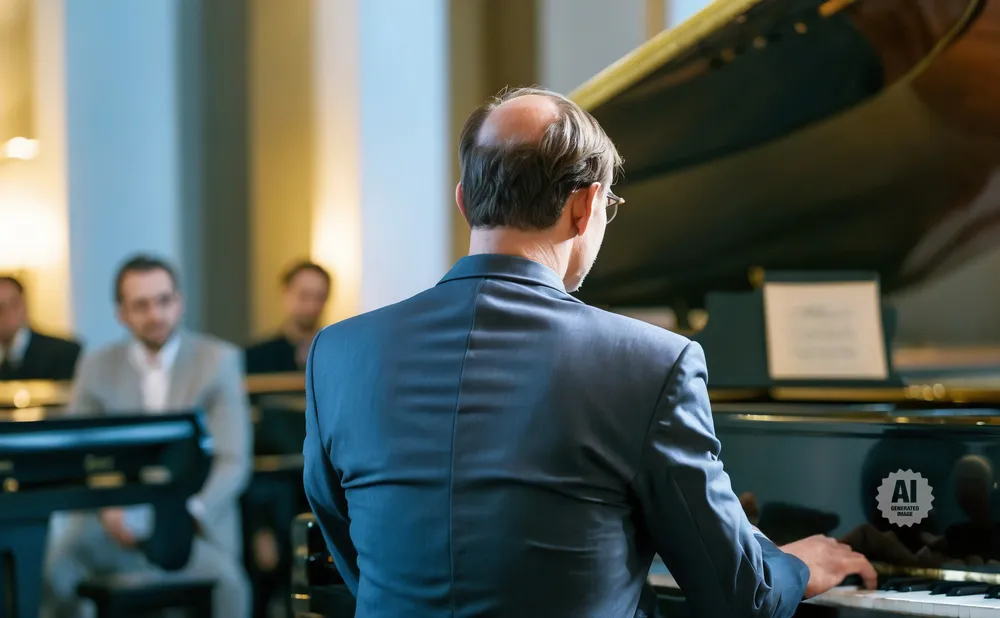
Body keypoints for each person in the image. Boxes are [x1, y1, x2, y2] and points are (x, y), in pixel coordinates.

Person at [302, 87, 877, 617]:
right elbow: (737, 596)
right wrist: (798, 564)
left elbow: (356, 554)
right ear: (586, 206)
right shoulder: (652, 363)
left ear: (463, 201)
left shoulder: (337, 353)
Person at [44, 255, 252, 618]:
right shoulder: (96, 366)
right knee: (53, 573)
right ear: (121, 313)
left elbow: (233, 460)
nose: (156, 314)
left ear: (179, 302)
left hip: (193, 525)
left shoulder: (218, 360)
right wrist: (110, 508)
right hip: (110, 525)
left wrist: (189, 513)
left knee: (231, 587)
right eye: (141, 305)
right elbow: (81, 453)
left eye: (164, 301)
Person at [245, 260, 331, 374]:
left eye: (319, 297)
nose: (312, 305)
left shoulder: (335, 355)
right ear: (286, 293)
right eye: (304, 296)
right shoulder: (256, 357)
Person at [0, 275, 82, 380]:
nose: (7, 313)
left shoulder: (63, 353)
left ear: (24, 305)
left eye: (13, 304)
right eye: (0, 308)